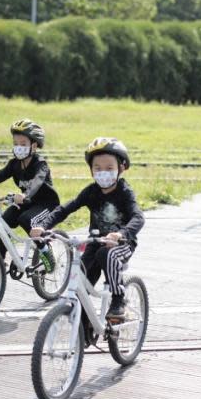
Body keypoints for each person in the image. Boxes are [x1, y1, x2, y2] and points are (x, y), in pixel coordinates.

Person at [31, 138, 144, 326]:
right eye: (97, 168)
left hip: (122, 244)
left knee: (106, 255)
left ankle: (118, 300)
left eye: (109, 168)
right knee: (81, 275)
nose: (103, 173)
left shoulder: (124, 192)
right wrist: (44, 226)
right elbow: (66, 208)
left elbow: (138, 217)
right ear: (91, 170)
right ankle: (84, 324)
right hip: (96, 242)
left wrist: (121, 234)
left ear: (121, 168)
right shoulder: (91, 191)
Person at [0, 119, 60, 267]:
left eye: (23, 144)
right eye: (16, 144)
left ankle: (45, 250)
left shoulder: (40, 164)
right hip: (26, 202)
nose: (18, 147)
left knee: (26, 219)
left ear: (34, 146)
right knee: (3, 222)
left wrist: (25, 195)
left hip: (46, 204)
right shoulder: (14, 164)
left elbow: (37, 181)